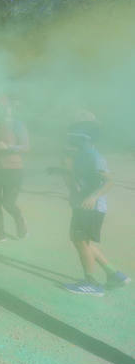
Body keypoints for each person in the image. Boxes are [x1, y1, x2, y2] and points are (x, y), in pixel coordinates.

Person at [54, 120, 129, 296]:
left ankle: (91, 283)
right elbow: (75, 185)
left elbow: (109, 181)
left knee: (80, 241)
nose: (68, 138)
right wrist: (65, 169)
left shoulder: (93, 156)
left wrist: (93, 197)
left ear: (83, 138)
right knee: (82, 241)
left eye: (72, 135)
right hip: (82, 206)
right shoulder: (80, 155)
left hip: (91, 207)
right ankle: (115, 275)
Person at [0, 96, 29, 241]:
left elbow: (26, 147)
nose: (0, 110)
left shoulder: (17, 124)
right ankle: (0, 233)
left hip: (13, 169)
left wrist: (8, 147)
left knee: (8, 203)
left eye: (3, 107)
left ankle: (20, 220)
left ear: (9, 109)